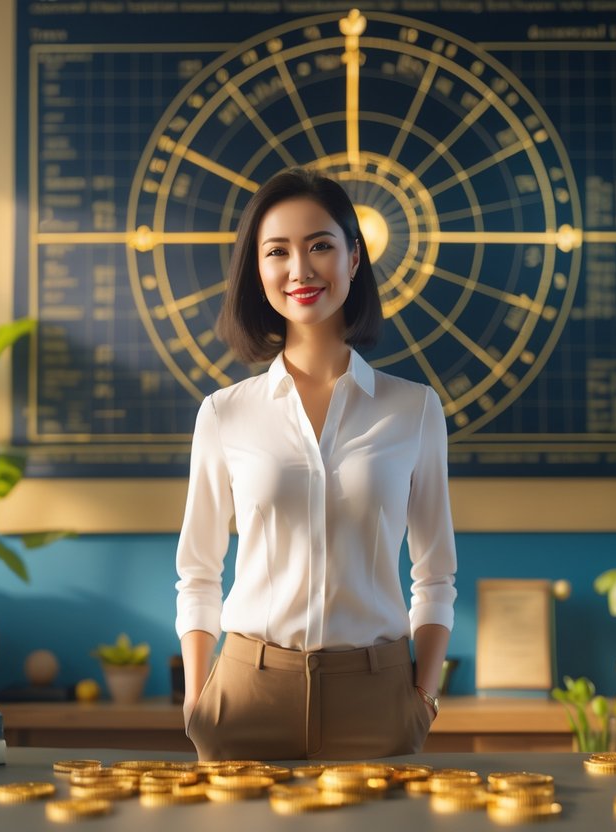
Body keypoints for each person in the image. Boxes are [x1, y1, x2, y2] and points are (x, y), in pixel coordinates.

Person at [174, 167, 457, 761]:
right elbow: (198, 571)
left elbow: (435, 575)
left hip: (378, 699)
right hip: (245, 695)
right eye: (278, 251)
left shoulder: (415, 410)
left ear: (354, 258)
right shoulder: (224, 413)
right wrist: (197, 701)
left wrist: (423, 699)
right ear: (258, 270)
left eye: (320, 246)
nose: (300, 269)